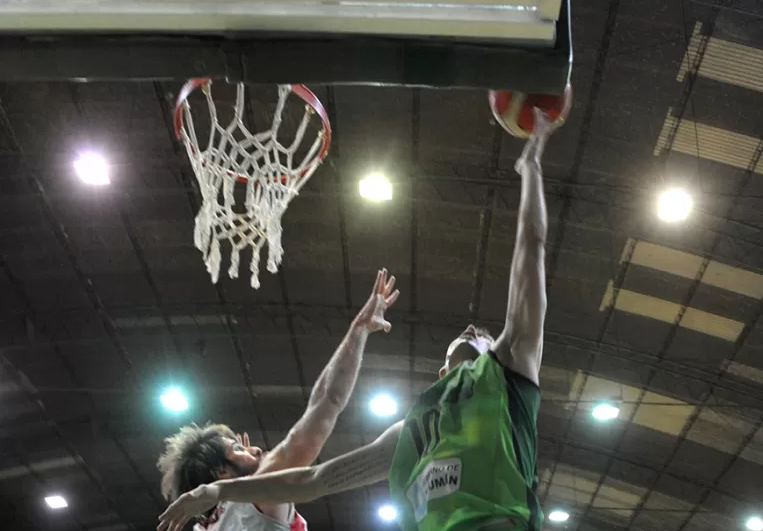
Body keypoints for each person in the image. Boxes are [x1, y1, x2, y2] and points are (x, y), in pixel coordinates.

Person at [158, 106, 563, 531]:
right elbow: (319, 443)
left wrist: (532, 168)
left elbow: (531, 252)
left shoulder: (504, 375)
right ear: (442, 370)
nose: (470, 329)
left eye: (481, 335)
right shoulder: (411, 427)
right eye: (234, 450)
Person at [156, 269, 400, 531]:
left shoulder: (204, 527)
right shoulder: (258, 495)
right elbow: (327, 401)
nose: (257, 449)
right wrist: (359, 329)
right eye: (237, 449)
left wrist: (242, 460)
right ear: (221, 474)